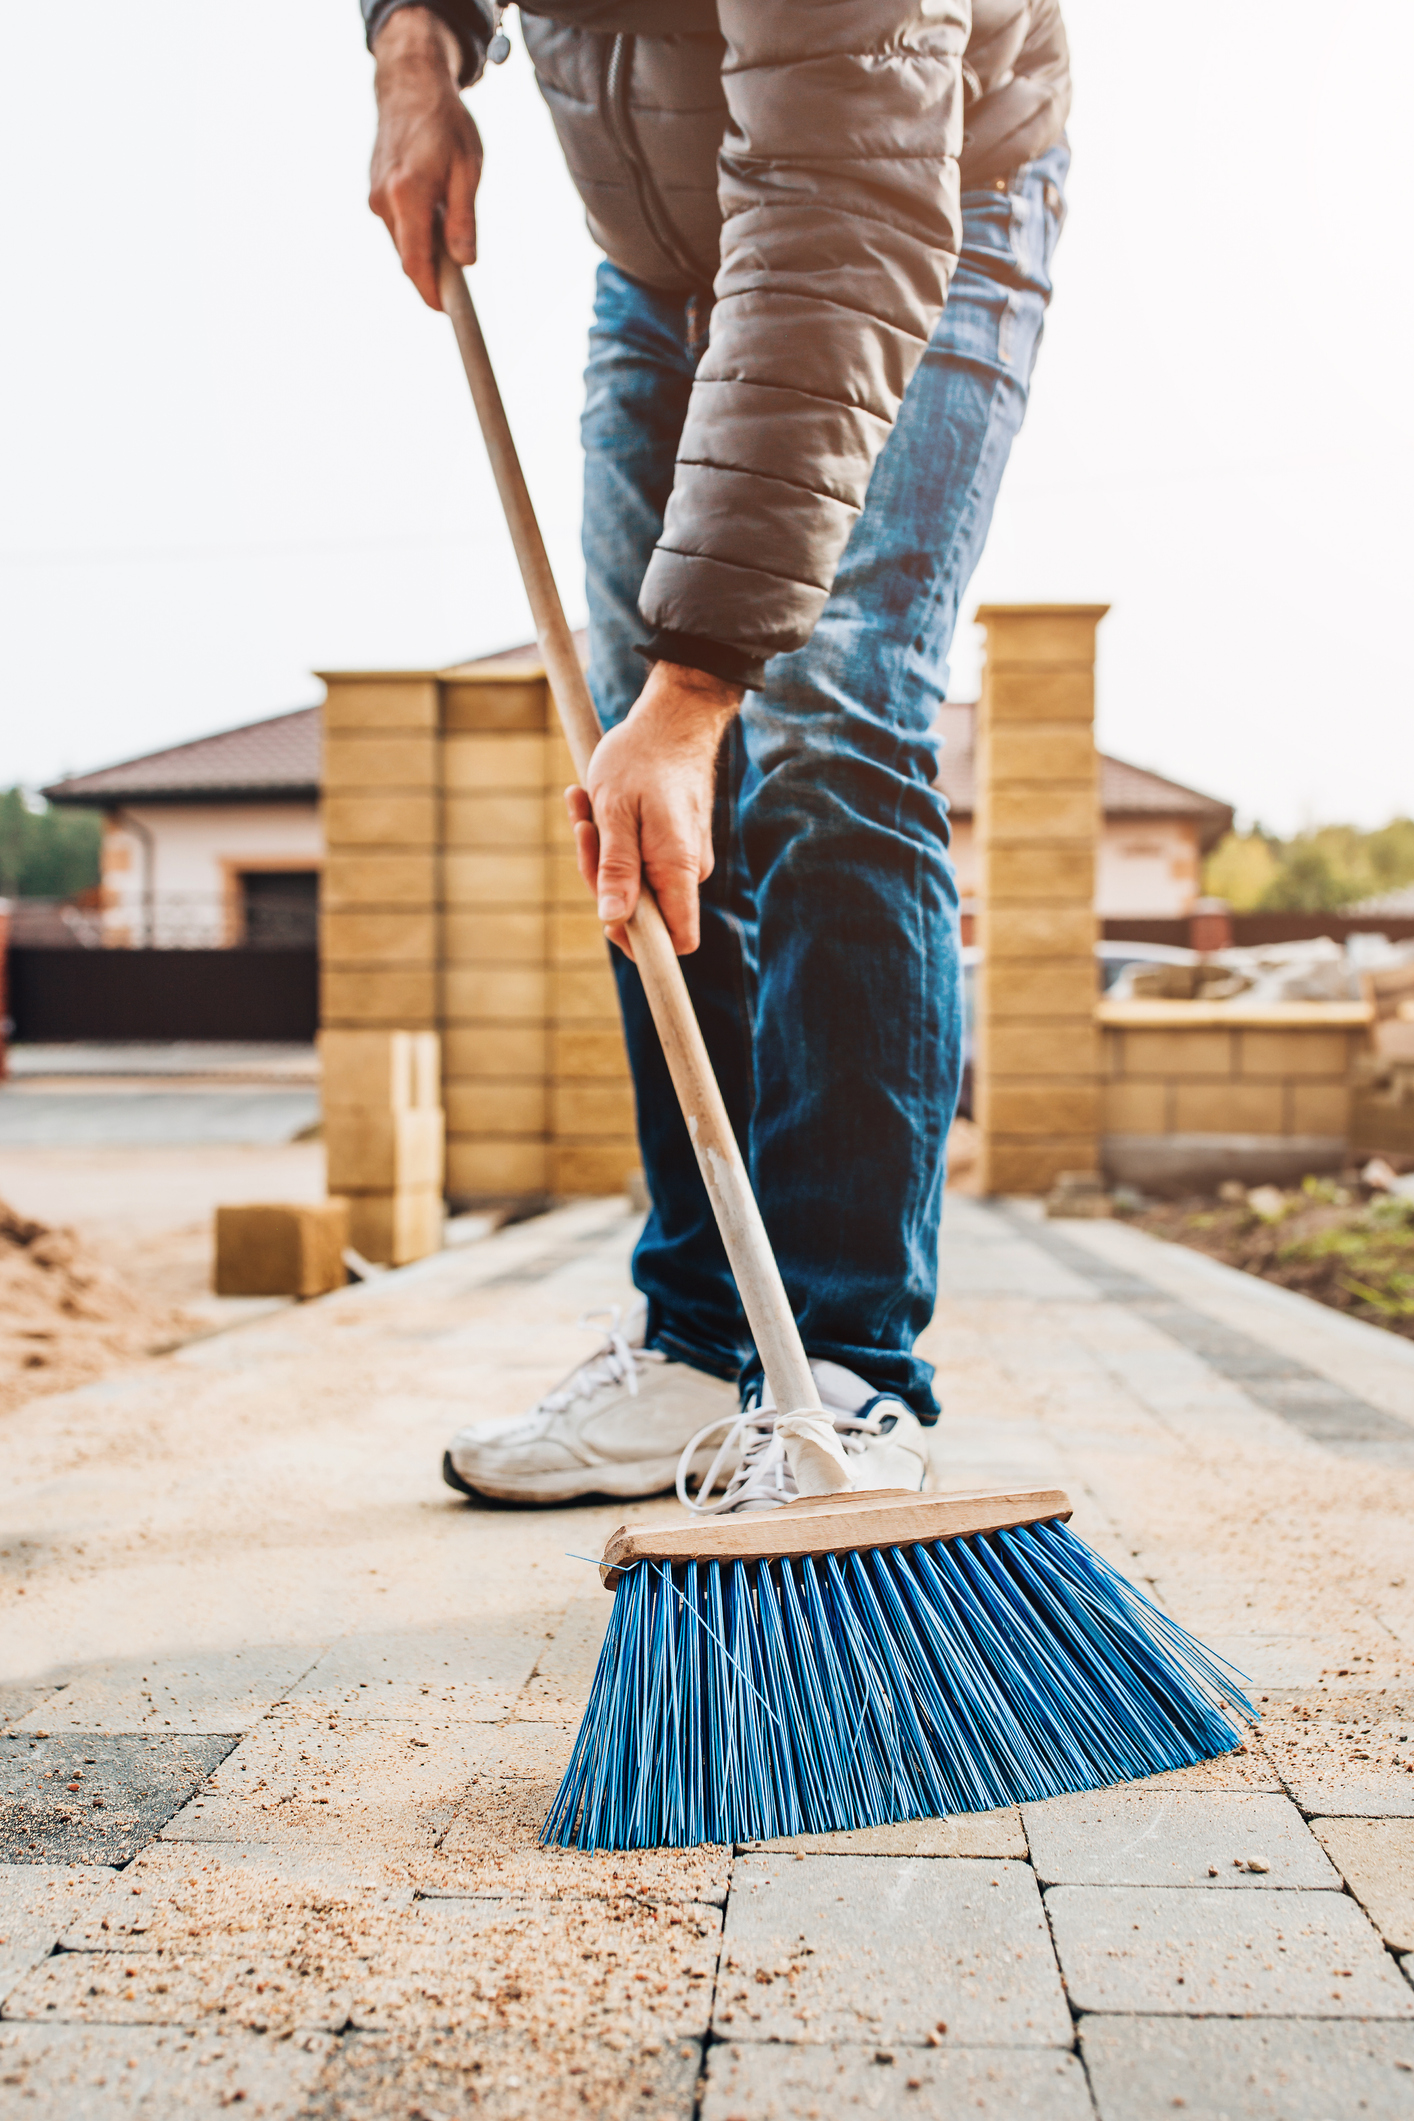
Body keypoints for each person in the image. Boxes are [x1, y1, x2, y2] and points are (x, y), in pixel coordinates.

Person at [360, 0, 1070, 1514]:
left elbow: (841, 217)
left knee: (826, 720)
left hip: (906, 204)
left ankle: (839, 1365)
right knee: (644, 796)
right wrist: (414, 54)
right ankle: (698, 1337)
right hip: (659, 254)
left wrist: (695, 691)